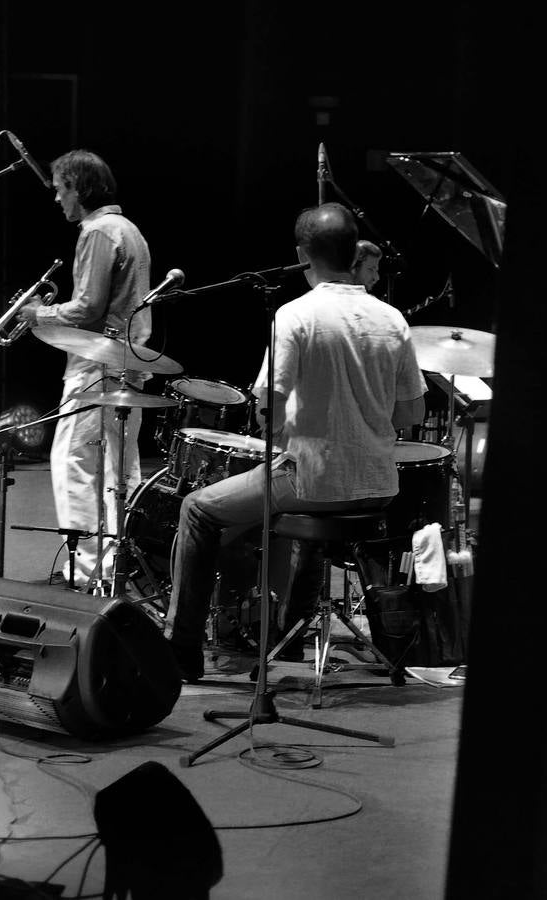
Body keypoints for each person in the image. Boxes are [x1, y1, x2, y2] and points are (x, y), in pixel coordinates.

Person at [163, 203, 426, 681]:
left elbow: (270, 409)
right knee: (297, 504)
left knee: (199, 509)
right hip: (379, 485)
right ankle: (290, 633)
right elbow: (413, 413)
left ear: (303, 255)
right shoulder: (393, 320)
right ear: (353, 252)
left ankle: (181, 652)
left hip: (313, 481)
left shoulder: (295, 315)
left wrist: (290, 427)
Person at [18, 149, 152, 587]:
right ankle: (118, 565)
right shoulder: (128, 229)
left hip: (97, 366)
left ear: (78, 186)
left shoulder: (97, 231)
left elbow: (90, 308)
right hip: (127, 364)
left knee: (74, 462)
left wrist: (41, 313)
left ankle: (88, 569)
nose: (57, 200)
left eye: (60, 190)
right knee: (119, 472)